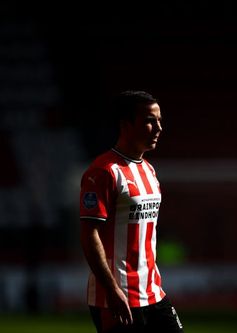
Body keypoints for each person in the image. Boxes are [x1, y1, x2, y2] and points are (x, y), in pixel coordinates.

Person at [79, 90, 183, 333]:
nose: (158, 128)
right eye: (149, 120)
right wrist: (112, 289)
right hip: (116, 298)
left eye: (159, 120)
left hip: (153, 294)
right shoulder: (103, 172)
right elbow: (89, 234)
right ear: (125, 125)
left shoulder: (149, 170)